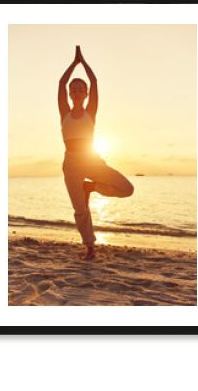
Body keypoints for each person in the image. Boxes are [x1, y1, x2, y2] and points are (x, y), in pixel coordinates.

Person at [58, 46, 134, 260]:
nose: (76, 91)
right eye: (74, 89)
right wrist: (74, 64)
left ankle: (91, 187)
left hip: (91, 160)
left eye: (81, 88)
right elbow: (61, 83)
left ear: (86, 93)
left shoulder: (90, 112)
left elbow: (95, 82)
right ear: (70, 94)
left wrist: (83, 62)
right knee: (80, 209)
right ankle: (90, 246)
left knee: (126, 188)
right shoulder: (64, 112)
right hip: (71, 163)